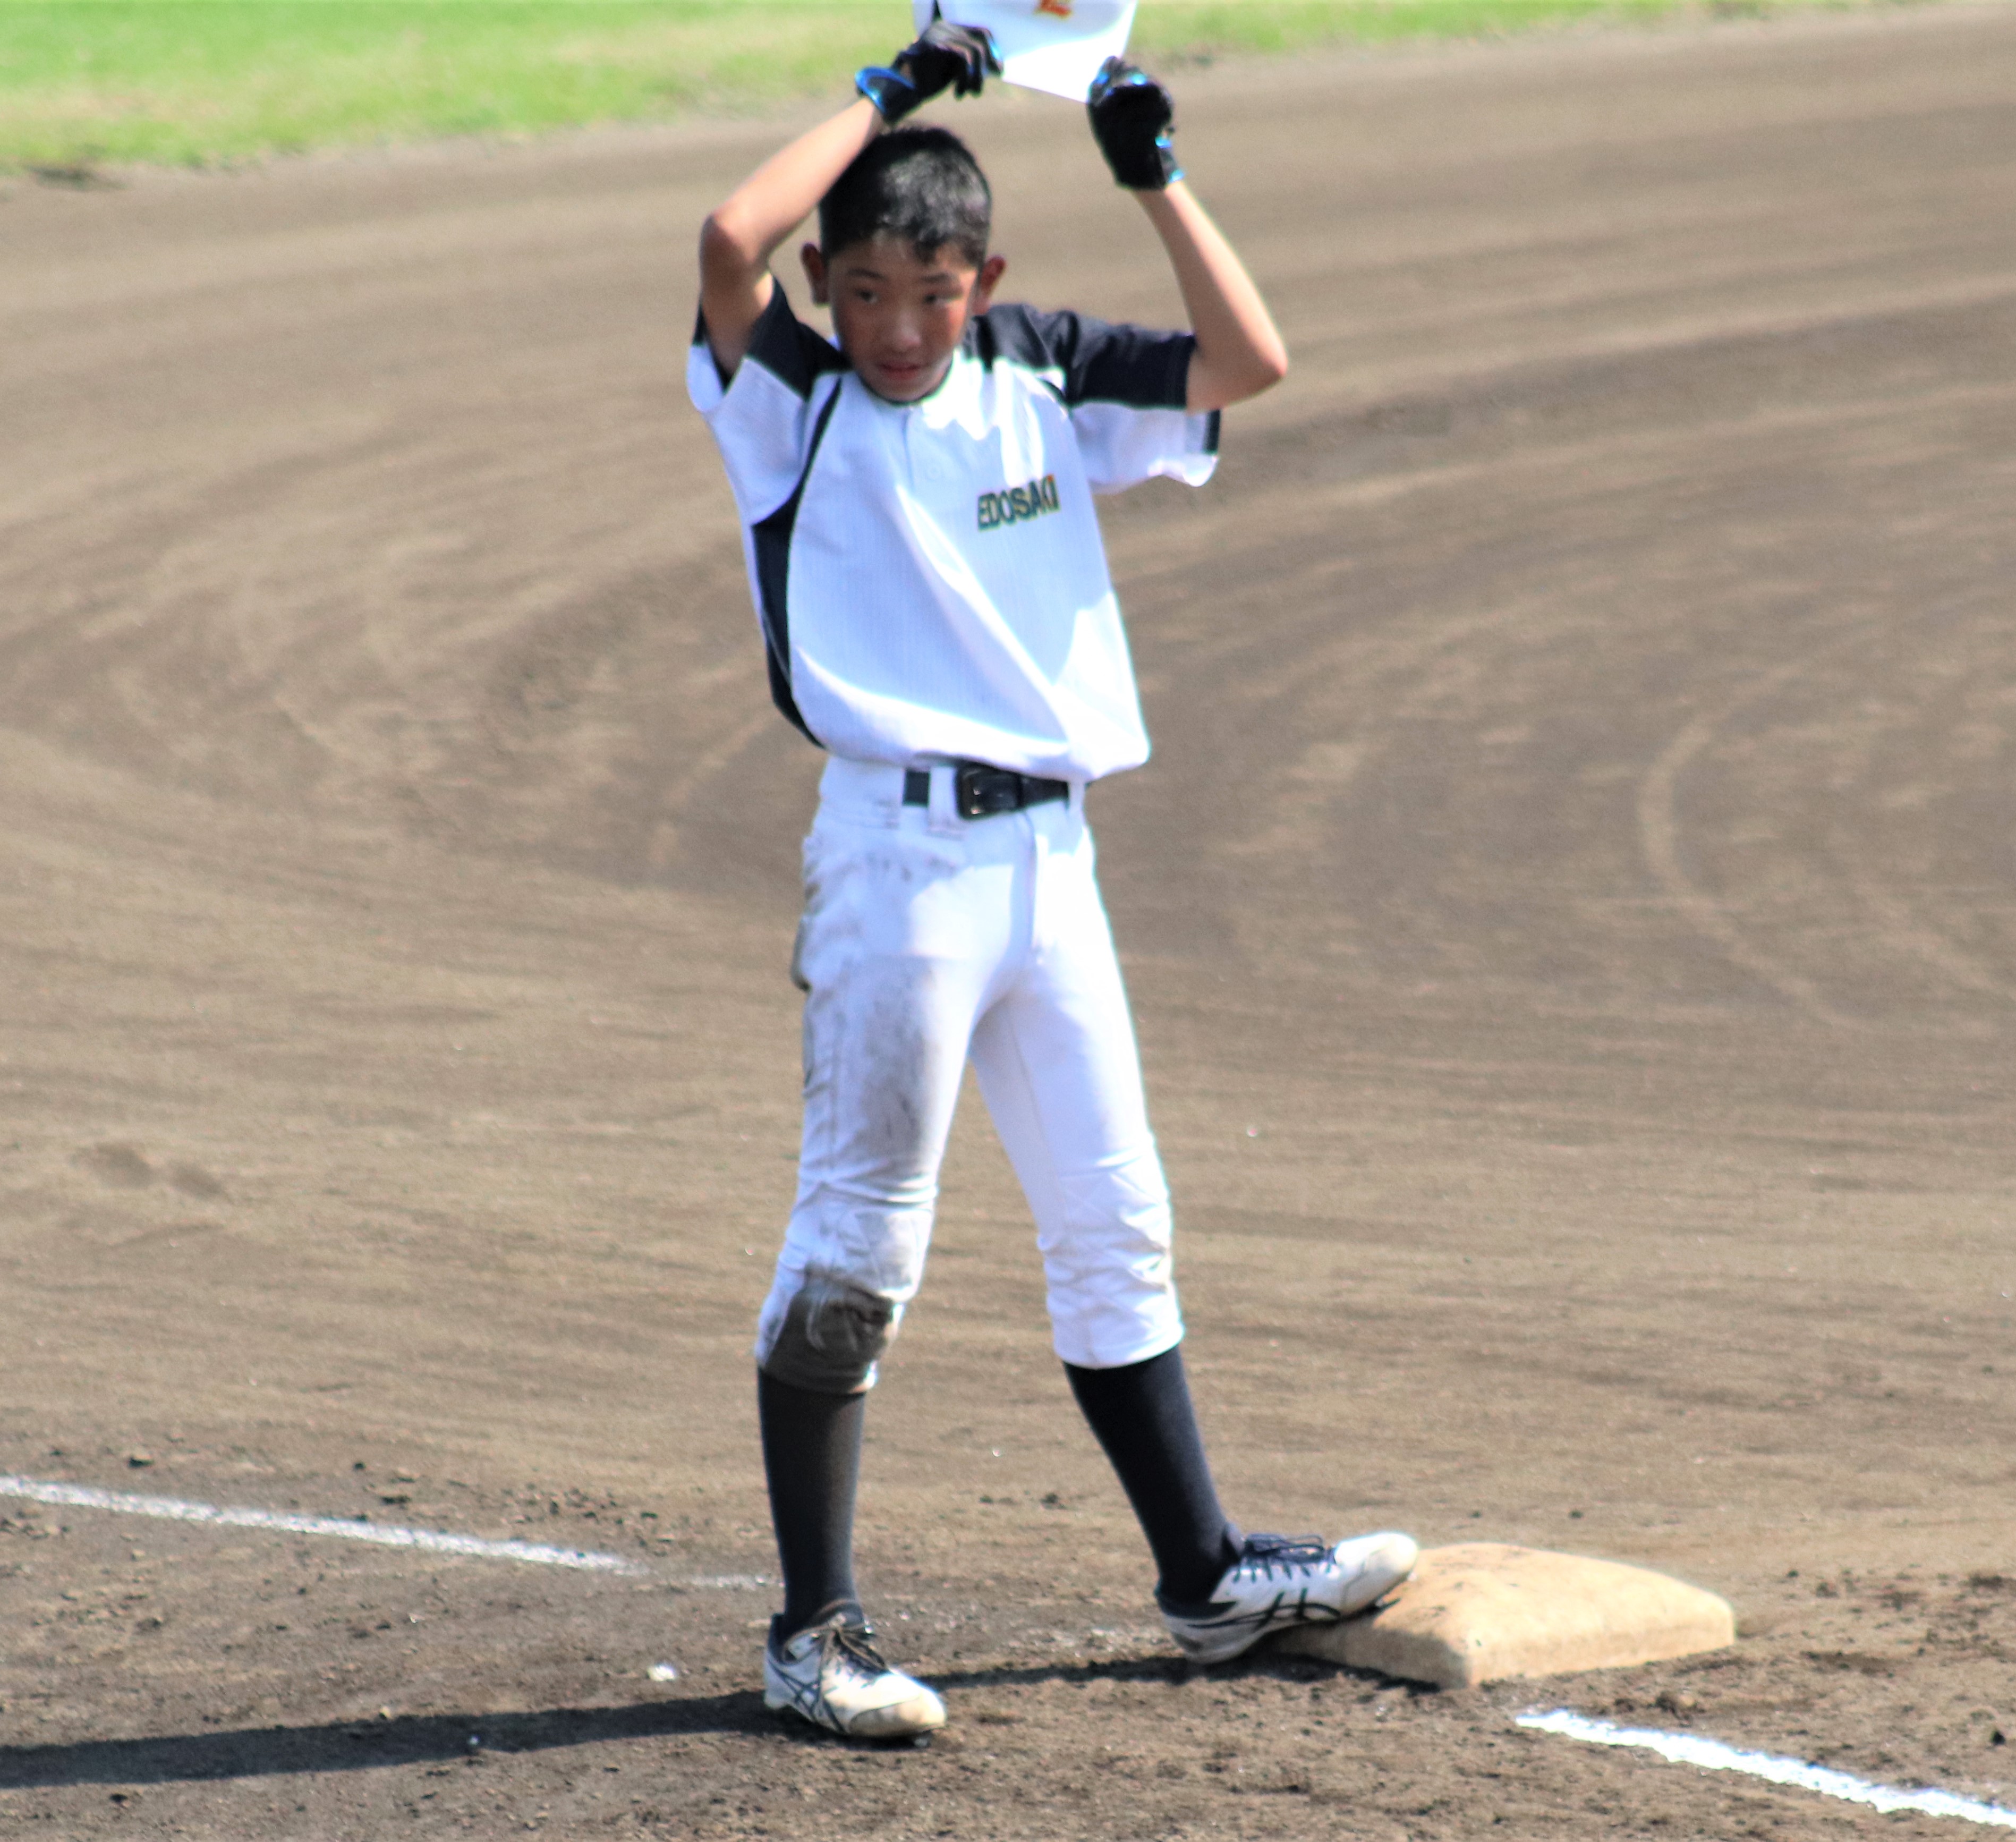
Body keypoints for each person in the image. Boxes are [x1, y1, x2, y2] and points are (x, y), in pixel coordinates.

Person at [688, 19, 1417, 1741]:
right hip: (897, 871)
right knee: (859, 1244)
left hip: (1050, 865)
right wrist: (894, 82)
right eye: (866, 292)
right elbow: (725, 240)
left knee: (1115, 1219)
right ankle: (813, 1632)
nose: (898, 327)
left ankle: (1206, 1575)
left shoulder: (1038, 373)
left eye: (932, 294)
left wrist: (1152, 171)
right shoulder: (787, 405)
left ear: (985, 281)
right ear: (825, 285)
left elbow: (1249, 362)